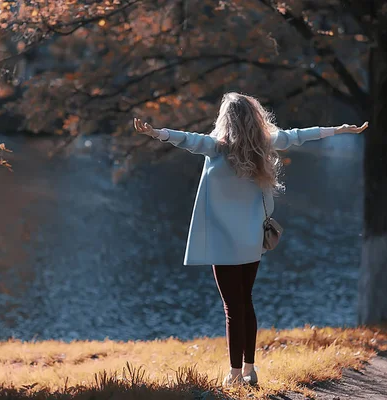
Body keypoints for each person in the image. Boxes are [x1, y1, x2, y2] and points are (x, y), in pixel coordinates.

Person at [133, 92, 368, 387]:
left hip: (223, 242)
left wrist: (156, 132)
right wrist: (339, 130)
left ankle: (234, 374)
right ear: (254, 118)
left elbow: (186, 139)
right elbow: (298, 136)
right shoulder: (264, 145)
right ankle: (250, 369)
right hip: (251, 242)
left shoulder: (216, 148)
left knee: (233, 308)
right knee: (246, 303)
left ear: (225, 120)